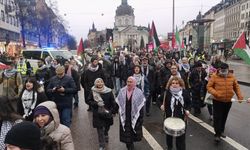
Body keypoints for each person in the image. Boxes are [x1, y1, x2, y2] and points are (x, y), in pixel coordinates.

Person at [207, 62, 243, 142]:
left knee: (224, 117)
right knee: (217, 117)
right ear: (219, 69)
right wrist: (216, 93)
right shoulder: (214, 76)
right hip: (218, 101)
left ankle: (221, 131)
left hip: (228, 101)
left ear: (228, 69)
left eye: (225, 70)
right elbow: (209, 87)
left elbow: (236, 87)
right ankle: (217, 134)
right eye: (222, 70)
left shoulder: (232, 76)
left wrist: (239, 96)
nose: (223, 72)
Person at [86, 78, 118, 150]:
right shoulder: (93, 91)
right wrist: (96, 104)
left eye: (101, 82)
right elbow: (88, 100)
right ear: (95, 84)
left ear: (103, 83)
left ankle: (106, 133)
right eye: (98, 82)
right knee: (100, 130)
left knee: (107, 127)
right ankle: (102, 145)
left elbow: (113, 102)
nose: (99, 83)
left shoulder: (109, 91)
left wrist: (113, 111)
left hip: (107, 112)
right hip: (98, 113)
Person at [160, 77, 191, 150]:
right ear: (170, 84)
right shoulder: (166, 93)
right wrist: (161, 106)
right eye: (173, 83)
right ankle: (169, 147)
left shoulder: (184, 92)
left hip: (182, 118)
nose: (175, 85)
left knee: (181, 138)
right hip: (169, 117)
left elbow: (189, 103)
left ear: (180, 84)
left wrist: (188, 110)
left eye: (177, 83)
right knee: (169, 136)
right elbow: (159, 100)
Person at [116, 76, 145, 150]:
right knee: (126, 131)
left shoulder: (139, 92)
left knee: (132, 131)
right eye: (128, 81)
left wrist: (141, 118)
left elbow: (141, 106)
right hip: (125, 115)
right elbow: (118, 103)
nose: (129, 83)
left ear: (134, 82)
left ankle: (130, 144)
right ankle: (129, 145)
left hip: (134, 115)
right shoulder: (122, 91)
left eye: (130, 82)